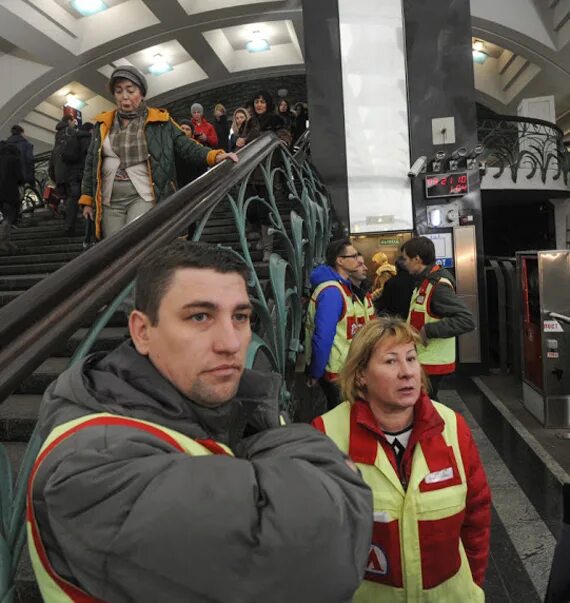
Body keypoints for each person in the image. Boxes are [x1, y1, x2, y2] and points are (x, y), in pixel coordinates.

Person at [27, 240, 373, 603]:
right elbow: (316, 558)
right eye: (199, 316)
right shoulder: (91, 464)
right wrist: (310, 453)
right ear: (142, 331)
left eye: (240, 317)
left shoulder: (207, 403)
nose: (231, 343)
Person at [313, 317, 491, 602]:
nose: (407, 372)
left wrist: (473, 585)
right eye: (391, 362)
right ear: (361, 375)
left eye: (411, 359)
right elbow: (315, 543)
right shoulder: (326, 436)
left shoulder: (452, 427)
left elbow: (476, 517)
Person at [79, 67, 236, 240]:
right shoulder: (102, 124)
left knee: (134, 239)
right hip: (109, 198)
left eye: (131, 90)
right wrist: (87, 199)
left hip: (143, 194)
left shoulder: (160, 121)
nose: (124, 96)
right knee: (114, 246)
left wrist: (216, 155)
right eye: (118, 91)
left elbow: (187, 146)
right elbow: (91, 163)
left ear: (142, 93)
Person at [401, 236, 475, 398]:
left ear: (417, 259)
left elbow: (466, 320)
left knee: (425, 408)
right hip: (423, 360)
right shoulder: (424, 282)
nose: (403, 263)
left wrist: (428, 330)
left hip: (431, 361)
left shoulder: (438, 286)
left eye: (405, 259)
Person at [305, 238, 363, 410]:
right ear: (340, 261)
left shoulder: (342, 287)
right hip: (335, 373)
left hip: (344, 369)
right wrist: (315, 373)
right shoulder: (332, 292)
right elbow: (323, 337)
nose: (359, 259)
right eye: (353, 256)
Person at [235, 90, 291, 260]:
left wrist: (269, 141)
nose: (259, 105)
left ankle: (268, 247)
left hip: (268, 171)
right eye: (256, 101)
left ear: (268, 104)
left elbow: (285, 141)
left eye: (262, 101)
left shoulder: (276, 120)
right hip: (251, 173)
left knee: (266, 210)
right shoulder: (249, 123)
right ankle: (260, 237)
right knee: (252, 208)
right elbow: (241, 145)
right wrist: (240, 143)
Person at [0, 139, 23, 252]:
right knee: (10, 216)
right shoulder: (14, 159)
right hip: (10, 191)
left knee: (5, 215)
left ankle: (6, 240)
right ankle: (3, 239)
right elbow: (19, 177)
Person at [175, 118, 207, 188]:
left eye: (187, 129)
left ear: (192, 134)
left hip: (194, 184)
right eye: (182, 128)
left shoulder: (198, 148)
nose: (184, 131)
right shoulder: (173, 147)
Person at [349, 253, 376, 325]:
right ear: (348, 268)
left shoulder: (366, 292)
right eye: (360, 265)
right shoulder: (343, 294)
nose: (366, 268)